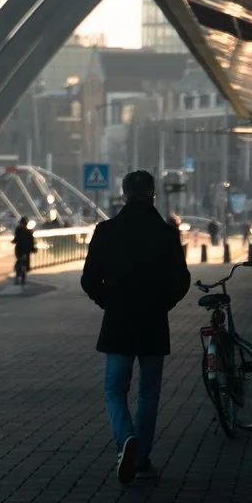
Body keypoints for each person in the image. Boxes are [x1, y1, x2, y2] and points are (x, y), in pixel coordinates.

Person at [81, 170, 191, 485]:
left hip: (118, 323)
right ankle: (141, 457)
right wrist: (164, 304)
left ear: (124, 193)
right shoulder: (167, 234)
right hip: (154, 323)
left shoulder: (106, 230)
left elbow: (89, 280)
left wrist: (109, 302)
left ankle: (125, 437)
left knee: (114, 389)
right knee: (149, 392)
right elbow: (181, 280)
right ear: (153, 193)